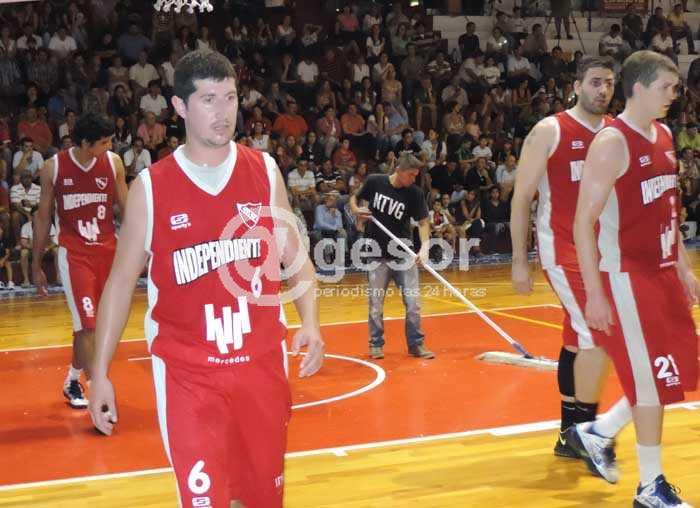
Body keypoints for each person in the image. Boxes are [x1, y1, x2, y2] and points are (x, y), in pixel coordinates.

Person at [88, 49, 324, 508]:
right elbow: (119, 284)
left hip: (260, 366)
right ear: (179, 106)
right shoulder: (151, 188)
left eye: (230, 97)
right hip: (189, 375)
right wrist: (99, 374)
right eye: (209, 99)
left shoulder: (264, 170)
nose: (223, 112)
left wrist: (311, 322)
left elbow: (295, 255)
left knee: (261, 500)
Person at [573, 50, 697, 507]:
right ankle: (650, 487)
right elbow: (582, 223)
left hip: (661, 273)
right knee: (650, 387)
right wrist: (594, 293)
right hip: (626, 276)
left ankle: (599, 431)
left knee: (677, 369)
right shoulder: (612, 143)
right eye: (667, 87)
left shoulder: (663, 134)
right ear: (639, 88)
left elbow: (669, 209)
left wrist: (683, 266)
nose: (674, 95)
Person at [511, 56, 621, 459]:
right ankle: (588, 436)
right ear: (576, 86)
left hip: (602, 251)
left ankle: (568, 435)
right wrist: (519, 261)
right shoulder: (550, 130)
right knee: (597, 334)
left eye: (608, 83)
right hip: (562, 248)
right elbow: (521, 197)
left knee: (577, 338)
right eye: (595, 82)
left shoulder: (615, 132)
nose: (603, 90)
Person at [31, 111, 128, 409]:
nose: (109, 146)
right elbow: (43, 218)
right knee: (89, 327)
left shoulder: (113, 163)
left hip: (108, 253)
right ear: (86, 143)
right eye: (104, 142)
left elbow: (128, 210)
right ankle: (99, 392)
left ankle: (73, 379)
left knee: (91, 327)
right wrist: (36, 264)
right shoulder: (54, 167)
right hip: (75, 256)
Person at [349, 152, 434, 360]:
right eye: (411, 175)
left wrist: (424, 247)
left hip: (403, 254)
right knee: (376, 304)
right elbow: (354, 197)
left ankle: (416, 344)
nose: (414, 179)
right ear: (399, 170)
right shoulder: (375, 181)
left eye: (416, 175)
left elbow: (423, 222)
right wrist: (356, 209)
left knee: (413, 304)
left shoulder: (414, 193)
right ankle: (376, 344)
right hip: (376, 254)